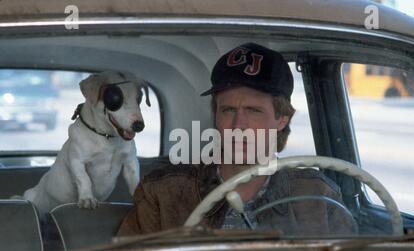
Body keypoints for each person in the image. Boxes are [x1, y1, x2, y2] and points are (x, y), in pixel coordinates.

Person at [117, 42, 357, 236]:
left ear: (281, 119)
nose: (238, 125)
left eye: (254, 111)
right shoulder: (164, 194)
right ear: (216, 116)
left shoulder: (317, 197)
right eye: (228, 110)